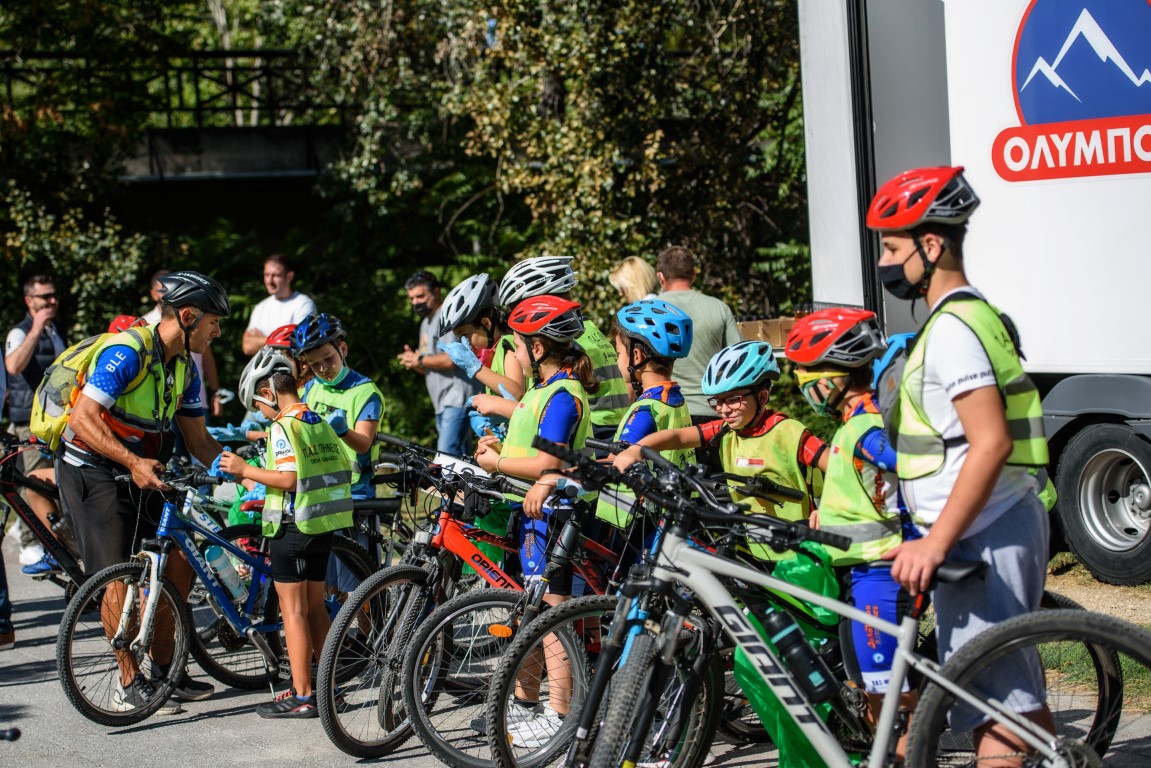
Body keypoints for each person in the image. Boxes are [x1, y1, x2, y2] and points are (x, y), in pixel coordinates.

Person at [867, 165, 1053, 763]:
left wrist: (935, 542)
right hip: (986, 524)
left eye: (892, 248)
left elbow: (989, 441)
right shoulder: (969, 316)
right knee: (1009, 695)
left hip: (983, 531)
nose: (884, 263)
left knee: (995, 710)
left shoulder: (952, 329)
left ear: (930, 245)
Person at [57, 270, 227, 710]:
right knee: (118, 574)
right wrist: (132, 463)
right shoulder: (127, 352)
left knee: (178, 560)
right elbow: (82, 419)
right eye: (213, 322)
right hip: (90, 466)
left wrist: (248, 474)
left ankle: (166, 669)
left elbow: (200, 442)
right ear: (187, 316)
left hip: (143, 466)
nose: (217, 332)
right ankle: (128, 682)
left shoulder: (183, 368)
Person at [784, 307, 917, 757]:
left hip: (879, 572)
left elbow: (909, 465)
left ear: (834, 379)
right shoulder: (853, 424)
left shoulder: (865, 428)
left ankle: (905, 755)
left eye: (806, 374)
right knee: (876, 687)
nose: (802, 384)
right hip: (858, 571)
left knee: (891, 696)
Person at [473, 294, 598, 747]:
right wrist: (501, 448)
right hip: (533, 512)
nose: (515, 354)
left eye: (519, 345)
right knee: (532, 609)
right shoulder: (542, 390)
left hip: (553, 514)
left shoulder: (562, 396)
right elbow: (533, 450)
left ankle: (559, 713)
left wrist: (497, 463)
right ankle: (526, 705)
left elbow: (549, 462)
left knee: (552, 614)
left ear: (538, 348)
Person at [218, 347, 353, 718]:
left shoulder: (282, 425)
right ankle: (329, 689)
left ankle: (303, 694)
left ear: (268, 393)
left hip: (291, 529)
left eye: (258, 405)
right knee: (315, 608)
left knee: (292, 611)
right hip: (320, 526)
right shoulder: (317, 420)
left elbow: (289, 478)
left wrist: (244, 470)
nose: (261, 413)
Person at [613, 341, 828, 559]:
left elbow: (839, 468)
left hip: (798, 551)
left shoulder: (788, 433)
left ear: (762, 397)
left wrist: (828, 508)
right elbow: (678, 436)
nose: (724, 410)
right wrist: (636, 449)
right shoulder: (726, 430)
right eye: (717, 402)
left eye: (733, 400)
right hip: (753, 546)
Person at [495, 256, 630, 442]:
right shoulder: (589, 329)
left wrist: (501, 408)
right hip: (615, 430)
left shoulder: (562, 342)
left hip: (591, 436)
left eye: (521, 309)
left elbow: (549, 411)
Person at [596, 299, 694, 534]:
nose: (617, 360)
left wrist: (562, 471)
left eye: (618, 353)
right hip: (665, 514)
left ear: (636, 356)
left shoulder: (646, 409)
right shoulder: (674, 398)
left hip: (633, 527)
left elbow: (616, 461)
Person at [654, 246, 742, 467]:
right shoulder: (719, 308)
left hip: (665, 415)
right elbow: (739, 362)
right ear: (693, 275)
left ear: (661, 277)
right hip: (713, 414)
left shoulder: (650, 311)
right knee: (715, 484)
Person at [5, 275, 66, 573]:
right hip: (29, 421)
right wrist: (35, 329)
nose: (52, 301)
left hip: (55, 420)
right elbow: (13, 366)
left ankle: (51, 541)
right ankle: (31, 543)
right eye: (45, 297)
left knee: (52, 482)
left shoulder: (57, 329)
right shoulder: (20, 332)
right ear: (29, 301)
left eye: (54, 295)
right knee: (31, 482)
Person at [291, 314, 384, 502]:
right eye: (314, 364)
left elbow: (363, 444)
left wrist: (343, 431)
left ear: (343, 349)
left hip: (354, 492)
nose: (323, 368)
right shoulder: (309, 389)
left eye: (328, 358)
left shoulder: (366, 392)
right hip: (316, 488)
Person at [396, 271, 480, 457]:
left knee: (445, 454)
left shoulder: (446, 316)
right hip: (441, 401)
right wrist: (414, 362)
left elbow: (452, 360)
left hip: (457, 397)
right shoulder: (425, 323)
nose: (415, 302)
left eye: (420, 296)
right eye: (412, 298)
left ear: (436, 292)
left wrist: (420, 359)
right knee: (461, 458)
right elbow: (427, 366)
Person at [143, 269, 222, 420]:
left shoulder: (189, 367)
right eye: (163, 290)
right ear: (153, 294)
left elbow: (207, 358)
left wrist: (215, 392)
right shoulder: (144, 324)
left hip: (194, 393)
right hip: (157, 401)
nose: (218, 333)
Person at [242, 254, 317, 355]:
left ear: (289, 277)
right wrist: (283, 341)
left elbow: (300, 343)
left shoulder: (304, 304)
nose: (269, 281)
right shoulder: (260, 307)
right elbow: (247, 346)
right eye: (266, 275)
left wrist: (260, 340)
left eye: (276, 275)